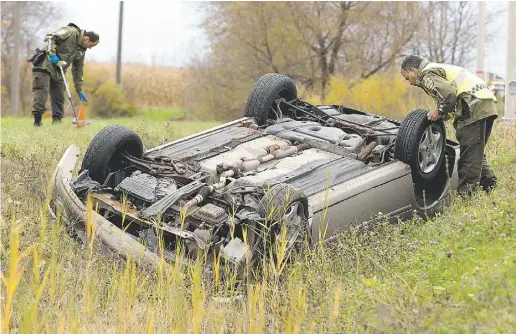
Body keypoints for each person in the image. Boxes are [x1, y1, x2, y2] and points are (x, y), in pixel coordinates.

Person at [400, 55, 498, 196]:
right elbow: (451, 96)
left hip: (471, 106)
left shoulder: (427, 74)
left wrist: (438, 111)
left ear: (414, 70)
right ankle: (490, 185)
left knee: (468, 157)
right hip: (485, 104)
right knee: (475, 151)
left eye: (407, 77)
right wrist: (443, 115)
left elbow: (449, 96)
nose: (409, 82)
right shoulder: (438, 68)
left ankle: (467, 196)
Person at [31, 23, 99, 126]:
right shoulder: (70, 32)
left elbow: (78, 70)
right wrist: (52, 55)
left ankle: (57, 122)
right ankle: (37, 121)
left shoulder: (81, 51)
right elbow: (50, 37)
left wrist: (79, 90)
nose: (90, 48)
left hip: (59, 70)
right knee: (42, 92)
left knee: (59, 95)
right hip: (45, 64)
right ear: (86, 38)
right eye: (91, 45)